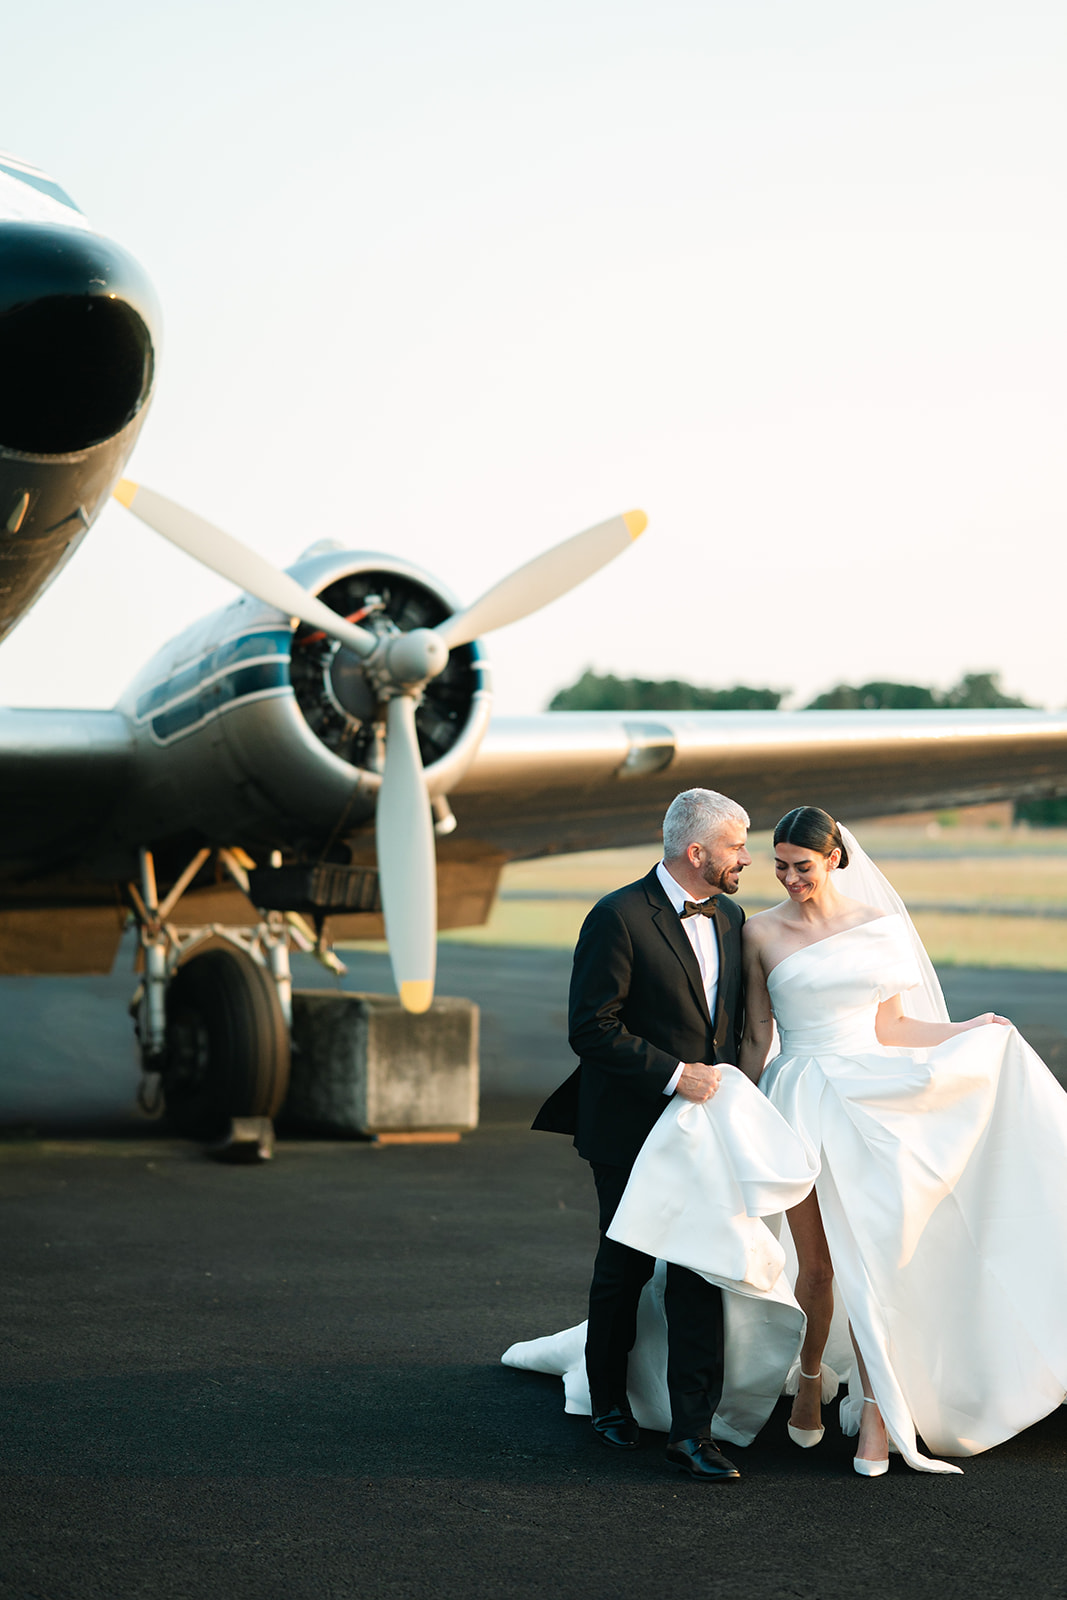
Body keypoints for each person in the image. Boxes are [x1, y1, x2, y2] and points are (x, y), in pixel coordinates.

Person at [738, 806, 1067, 1476]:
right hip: (797, 1097)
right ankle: (807, 1379)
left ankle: (878, 1421)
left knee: (874, 1264)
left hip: (871, 1105)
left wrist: (970, 1030)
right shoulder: (758, 931)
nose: (789, 877)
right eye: (778, 865)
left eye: (802, 865)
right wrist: (736, 1111)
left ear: (833, 860)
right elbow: (753, 1034)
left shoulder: (876, 929)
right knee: (817, 1267)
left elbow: (894, 1028)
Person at [524, 789, 755, 1482]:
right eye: (737, 845)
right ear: (697, 852)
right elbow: (591, 1027)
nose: (746, 857)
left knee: (696, 1272)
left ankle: (692, 1433)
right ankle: (606, 1404)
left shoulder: (733, 916)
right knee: (623, 1269)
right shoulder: (616, 916)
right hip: (628, 1125)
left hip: (704, 1131)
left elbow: (730, 1026)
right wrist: (672, 1075)